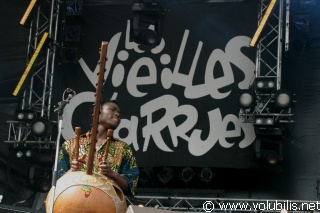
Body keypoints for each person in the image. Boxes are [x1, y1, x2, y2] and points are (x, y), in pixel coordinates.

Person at [56, 100, 139, 196]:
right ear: (97, 113)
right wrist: (72, 172)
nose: (117, 114)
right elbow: (57, 181)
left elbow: (131, 185)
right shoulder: (70, 144)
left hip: (107, 206)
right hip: (74, 202)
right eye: (112, 110)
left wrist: (112, 174)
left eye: (119, 113)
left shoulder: (123, 148)